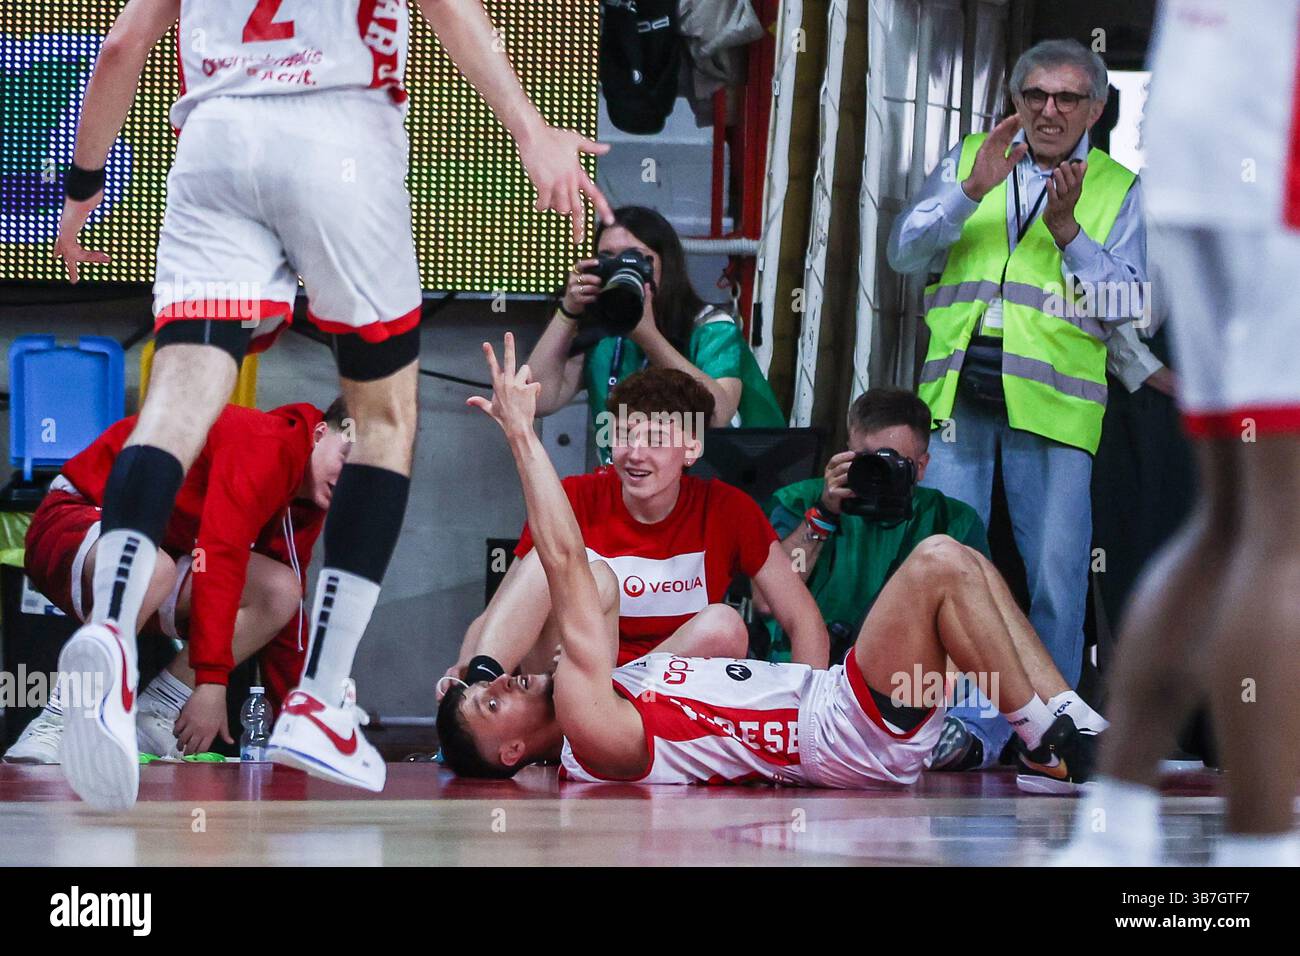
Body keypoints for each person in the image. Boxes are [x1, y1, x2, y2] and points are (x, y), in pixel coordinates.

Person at [51, 0, 612, 809]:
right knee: (384, 421)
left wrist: (81, 191)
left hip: (214, 140)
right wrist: (529, 129)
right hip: (340, 135)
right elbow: (453, 12)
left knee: (175, 404)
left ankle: (109, 625)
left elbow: (120, 46)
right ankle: (320, 697)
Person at [436, 333, 1107, 791]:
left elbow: (589, 579)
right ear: (514, 752)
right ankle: (1042, 740)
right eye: (492, 703)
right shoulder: (593, 729)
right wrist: (522, 433)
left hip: (836, 705)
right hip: (840, 730)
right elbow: (559, 560)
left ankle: (1070, 716)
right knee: (939, 562)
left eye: (654, 436)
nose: (506, 687)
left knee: (960, 560)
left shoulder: (613, 685)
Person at [1059, 0, 1300, 867]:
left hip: (1197, 144)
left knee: (1228, 522)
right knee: (1281, 533)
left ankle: (1117, 823)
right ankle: (1262, 849)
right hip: (1273, 148)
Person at [886, 38, 1149, 768]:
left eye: (1068, 97)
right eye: (1035, 95)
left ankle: (1047, 734)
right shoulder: (975, 158)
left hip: (1055, 406)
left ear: (1096, 108)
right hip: (958, 396)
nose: (1049, 110)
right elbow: (903, 253)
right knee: (949, 563)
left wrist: (1069, 235)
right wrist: (969, 191)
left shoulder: (1118, 188)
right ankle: (956, 727)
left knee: (1054, 579)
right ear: (1015, 100)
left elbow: (1130, 304)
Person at [3, 400, 349, 765]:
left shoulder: (307, 499)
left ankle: (153, 716)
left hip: (168, 550)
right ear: (319, 434)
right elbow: (218, 558)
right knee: (152, 567)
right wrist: (211, 682)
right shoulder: (266, 445)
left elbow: (288, 625)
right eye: (346, 457)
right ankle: (59, 720)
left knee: (280, 591)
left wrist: (296, 729)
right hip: (77, 516)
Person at [442, 366, 828, 691]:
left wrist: (803, 720)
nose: (636, 453)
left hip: (659, 691)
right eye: (625, 435)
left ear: (692, 449)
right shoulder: (574, 496)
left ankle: (616, 692)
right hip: (568, 677)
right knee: (546, 561)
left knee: (725, 626)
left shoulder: (729, 509)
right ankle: (475, 698)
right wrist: (462, 674)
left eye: (656, 439)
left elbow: (804, 620)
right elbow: (500, 612)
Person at [754, 387, 994, 771]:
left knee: (994, 672)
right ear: (846, 453)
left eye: (893, 462)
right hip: (809, 680)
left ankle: (959, 737)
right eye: (865, 460)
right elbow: (766, 602)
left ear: (921, 466)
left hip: (906, 684)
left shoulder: (952, 519)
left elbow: (975, 631)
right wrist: (823, 515)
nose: (878, 473)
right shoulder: (798, 501)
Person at [526, 205, 784, 462]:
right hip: (628, 476)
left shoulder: (710, 327)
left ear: (666, 265)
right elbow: (535, 400)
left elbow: (717, 414)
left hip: (717, 477)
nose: (622, 269)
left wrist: (647, 336)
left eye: (637, 259)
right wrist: (568, 312)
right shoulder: (602, 331)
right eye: (608, 259)